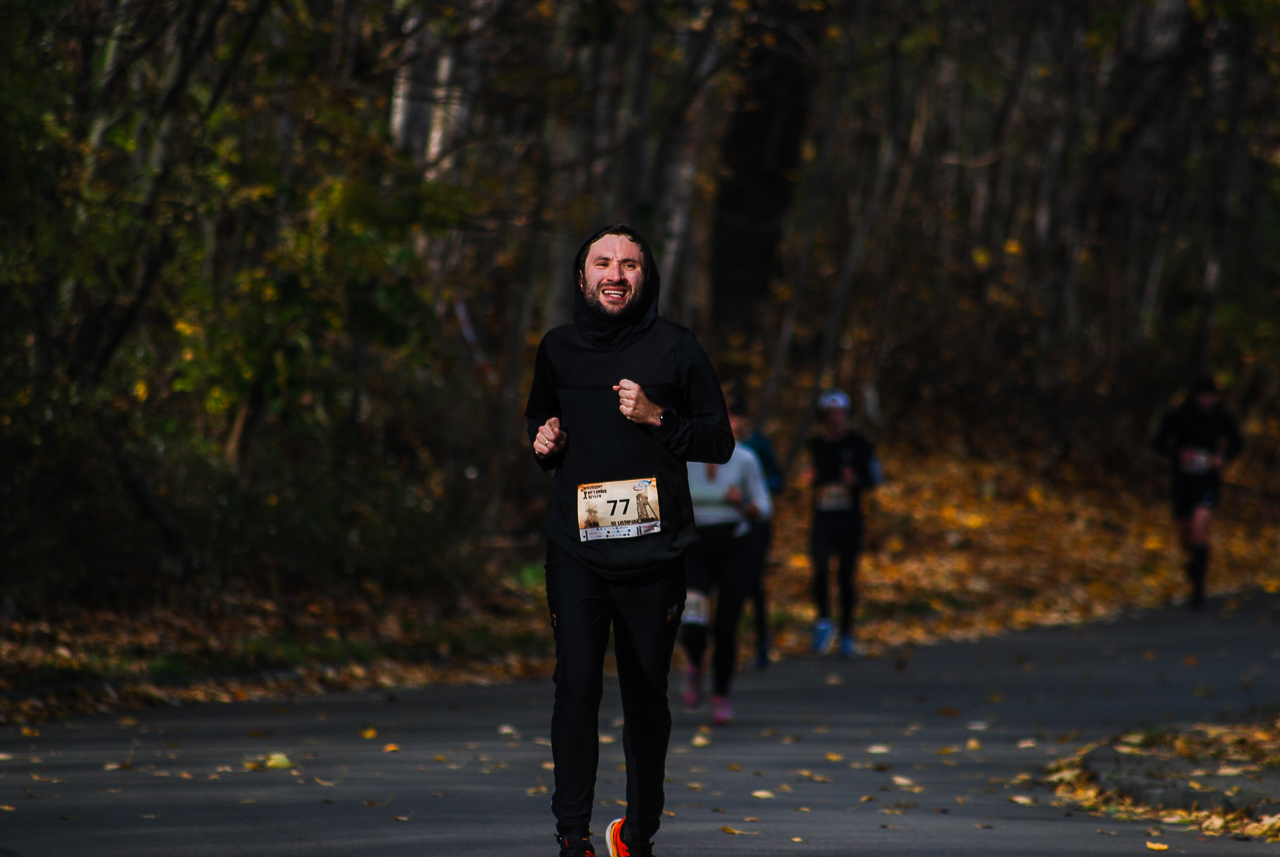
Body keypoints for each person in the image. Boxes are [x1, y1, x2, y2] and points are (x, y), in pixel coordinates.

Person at [526, 224, 734, 857]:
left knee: (645, 698)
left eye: (629, 264)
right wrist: (544, 440)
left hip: (654, 555)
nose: (615, 274)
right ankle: (573, 838)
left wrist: (656, 416)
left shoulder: (676, 348)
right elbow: (539, 418)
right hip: (577, 550)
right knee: (577, 686)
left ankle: (637, 835)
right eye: (602, 263)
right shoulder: (558, 349)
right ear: (581, 276)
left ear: (647, 277)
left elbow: (718, 441)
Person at [680, 399, 772, 725]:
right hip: (696, 549)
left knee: (725, 627)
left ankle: (720, 694)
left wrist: (742, 504)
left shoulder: (745, 459)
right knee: (693, 623)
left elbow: (764, 508)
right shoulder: (685, 458)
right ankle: (695, 663)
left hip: (735, 547)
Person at [1152, 376, 1243, 610]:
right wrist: (1179, 453)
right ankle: (1194, 565)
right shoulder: (1179, 416)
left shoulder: (1220, 416)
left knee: (1198, 525)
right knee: (1186, 533)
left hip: (1208, 481)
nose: (1206, 400)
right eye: (1202, 396)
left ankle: (1199, 588)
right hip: (1183, 481)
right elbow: (1159, 443)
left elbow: (1237, 442)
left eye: (1209, 396)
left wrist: (1222, 458)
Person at [805, 389, 880, 657]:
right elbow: (809, 474)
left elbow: (874, 479)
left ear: (846, 415)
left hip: (849, 519)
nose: (835, 418)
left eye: (839, 413)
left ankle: (847, 632)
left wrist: (855, 481)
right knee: (820, 568)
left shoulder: (860, 443)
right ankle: (824, 621)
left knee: (846, 576)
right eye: (830, 414)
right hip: (823, 518)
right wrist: (810, 479)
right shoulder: (816, 444)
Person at [735, 400, 783, 669]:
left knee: (754, 582)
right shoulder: (717, 444)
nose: (734, 423)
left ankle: (762, 642)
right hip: (730, 522)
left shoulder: (759, 445)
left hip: (756, 523)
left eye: (737, 418)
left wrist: (757, 487)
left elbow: (778, 480)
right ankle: (731, 643)